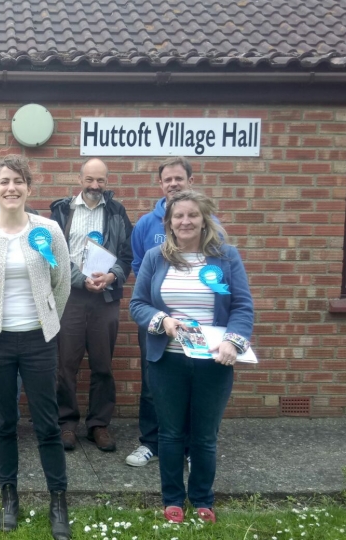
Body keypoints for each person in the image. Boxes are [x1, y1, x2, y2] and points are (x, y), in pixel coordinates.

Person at [0, 155, 72, 540]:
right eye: (4, 181)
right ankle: (9, 496)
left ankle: (58, 500)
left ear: (29, 186)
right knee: (2, 423)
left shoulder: (50, 230)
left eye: (18, 181)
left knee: (47, 424)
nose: (11, 188)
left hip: (40, 340)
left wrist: (47, 317)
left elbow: (62, 281)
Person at [129, 191, 253, 524]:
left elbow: (242, 306)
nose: (185, 222)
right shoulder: (156, 257)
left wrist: (233, 342)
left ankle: (202, 498)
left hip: (214, 360)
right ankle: (171, 498)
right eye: (178, 216)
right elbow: (138, 304)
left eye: (192, 216)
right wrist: (164, 321)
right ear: (168, 222)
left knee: (204, 435)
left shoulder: (227, 257)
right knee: (169, 433)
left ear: (204, 220)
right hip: (167, 359)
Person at [50, 158, 133, 453]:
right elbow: (54, 255)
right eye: (90, 180)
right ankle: (67, 423)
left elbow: (127, 255)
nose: (95, 186)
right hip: (71, 295)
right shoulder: (61, 210)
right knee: (66, 364)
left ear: (107, 181)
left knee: (102, 364)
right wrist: (79, 279)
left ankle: (98, 424)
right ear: (80, 178)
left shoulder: (116, 211)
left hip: (105, 296)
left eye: (100, 181)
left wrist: (111, 276)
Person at [126, 156, 196, 467]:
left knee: (195, 383)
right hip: (155, 319)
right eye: (167, 180)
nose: (173, 184)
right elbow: (139, 267)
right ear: (160, 184)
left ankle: (192, 447)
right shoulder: (145, 224)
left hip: (198, 321)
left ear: (189, 182)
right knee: (153, 381)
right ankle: (151, 442)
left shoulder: (208, 223)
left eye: (178, 178)